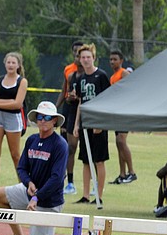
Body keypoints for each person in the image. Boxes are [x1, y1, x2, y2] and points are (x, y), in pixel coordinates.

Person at [0, 101, 101, 235]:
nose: (43, 120)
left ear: (54, 120)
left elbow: (57, 179)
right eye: (40, 117)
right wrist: (28, 183)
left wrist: (37, 197)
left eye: (48, 117)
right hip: (30, 191)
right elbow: (21, 168)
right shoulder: (32, 140)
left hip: (48, 200)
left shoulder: (60, 144)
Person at [0, 52, 28, 199]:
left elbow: (18, 104)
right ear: (5, 63)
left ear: (18, 65)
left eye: (13, 63)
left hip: (13, 118)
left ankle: (23, 187)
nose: (10, 65)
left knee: (15, 155)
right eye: (8, 62)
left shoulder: (22, 81)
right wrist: (3, 103)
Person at [73, 44, 111, 205]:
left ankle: (99, 195)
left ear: (94, 58)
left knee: (99, 160)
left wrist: (100, 123)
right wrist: (76, 124)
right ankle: (85, 195)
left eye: (88, 57)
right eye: (83, 57)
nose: (86, 60)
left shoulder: (101, 76)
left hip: (98, 123)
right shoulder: (80, 78)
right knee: (86, 160)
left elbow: (107, 99)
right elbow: (81, 102)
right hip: (86, 123)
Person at [56, 40, 83, 196]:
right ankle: (68, 181)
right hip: (69, 109)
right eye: (75, 52)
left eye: (80, 52)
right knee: (67, 146)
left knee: (83, 147)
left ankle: (94, 184)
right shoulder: (69, 70)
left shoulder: (89, 71)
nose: (77, 55)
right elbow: (64, 90)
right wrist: (55, 108)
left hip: (82, 109)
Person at [109, 49, 136, 184]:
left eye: (115, 59)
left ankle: (132, 172)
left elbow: (131, 90)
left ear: (121, 61)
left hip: (124, 111)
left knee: (121, 140)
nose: (112, 62)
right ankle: (122, 174)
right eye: (111, 59)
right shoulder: (112, 77)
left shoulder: (124, 73)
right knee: (118, 143)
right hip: (116, 112)